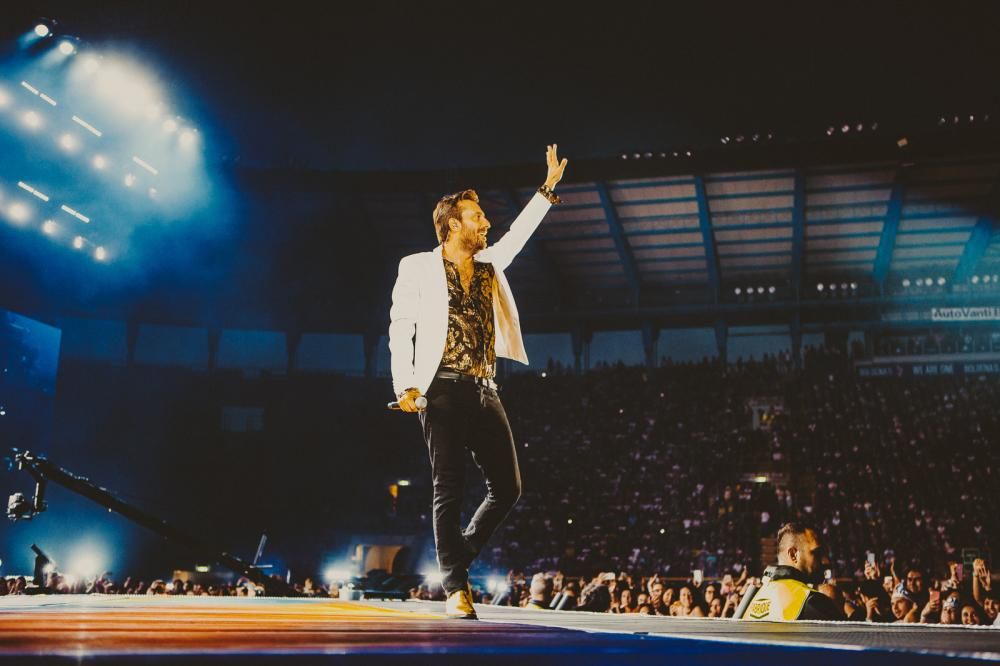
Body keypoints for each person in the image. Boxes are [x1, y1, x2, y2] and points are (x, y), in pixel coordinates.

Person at [389, 145, 568, 620]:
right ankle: (456, 588)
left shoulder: (489, 264)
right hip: (440, 390)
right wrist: (405, 386)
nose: (486, 222)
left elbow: (518, 236)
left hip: (485, 388)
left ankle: (458, 556)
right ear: (452, 225)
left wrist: (546, 190)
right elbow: (400, 326)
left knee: (508, 488)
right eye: (477, 216)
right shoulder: (417, 266)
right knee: (447, 488)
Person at [742, 522, 844, 621]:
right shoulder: (812, 600)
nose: (824, 561)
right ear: (793, 555)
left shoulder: (752, 601)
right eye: (816, 553)